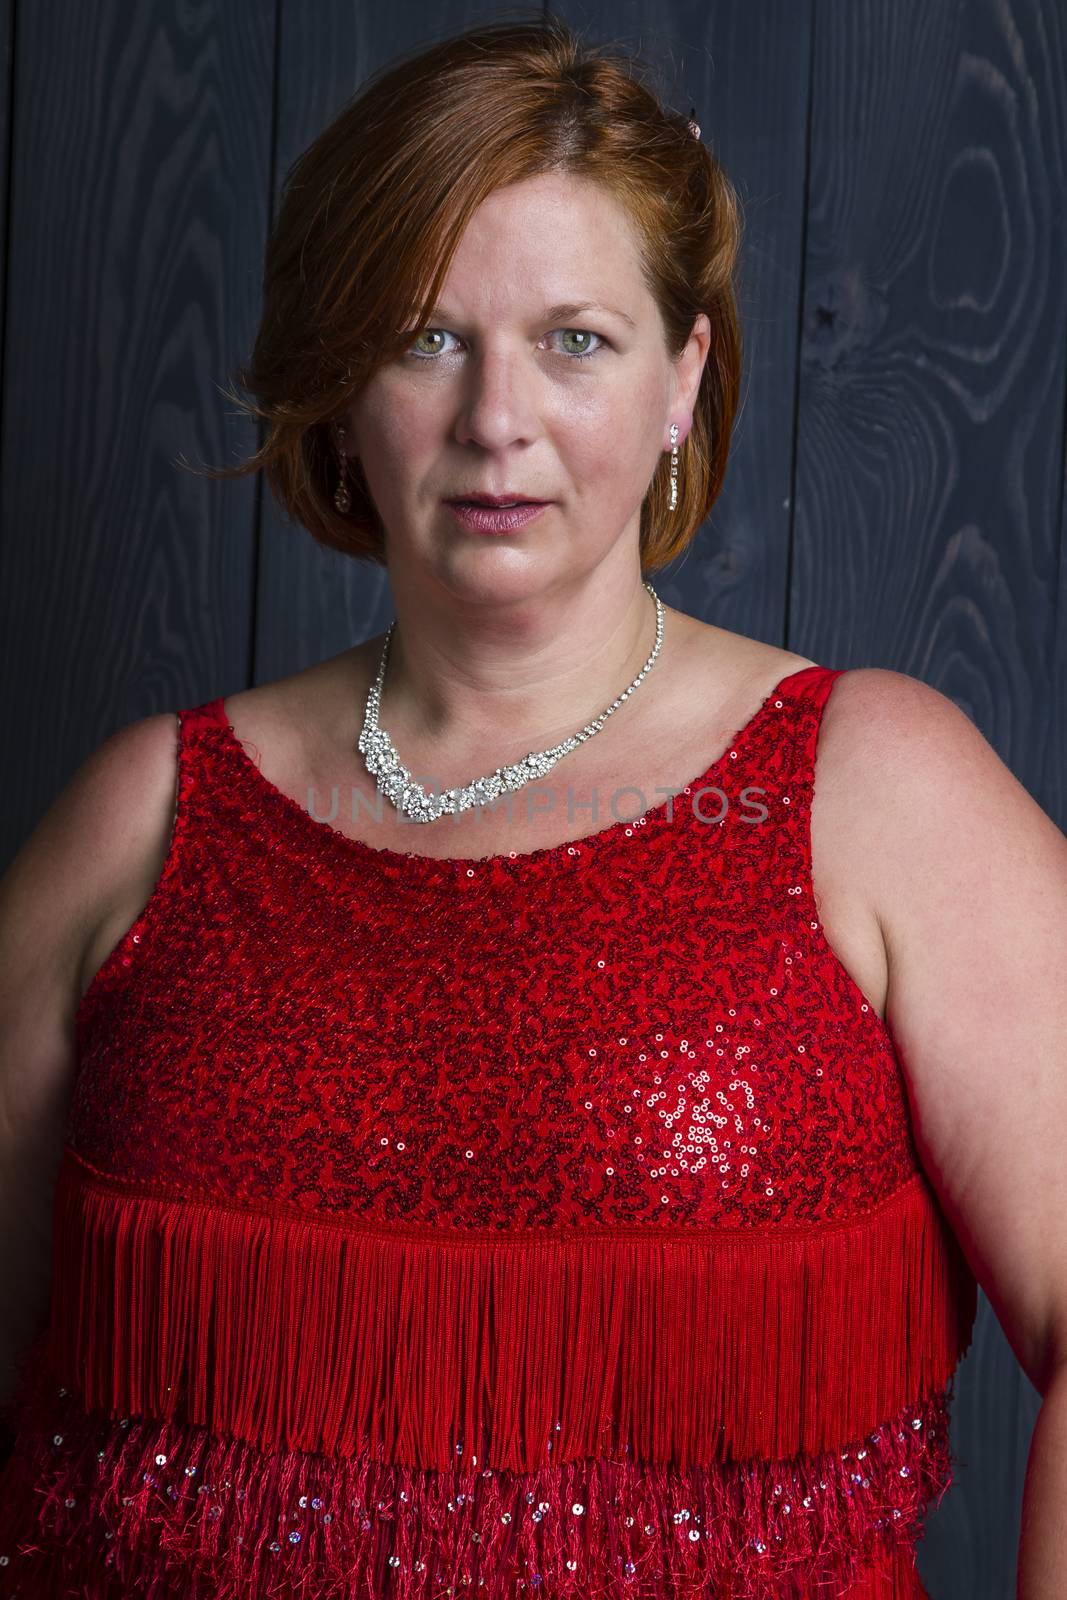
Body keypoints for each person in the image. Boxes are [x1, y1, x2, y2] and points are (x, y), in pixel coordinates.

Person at [1, 16, 1064, 1599]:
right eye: (426, 337)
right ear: (340, 384)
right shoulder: (145, 816)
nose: (498, 418)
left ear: (681, 379)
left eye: (576, 339)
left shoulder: (877, 790)